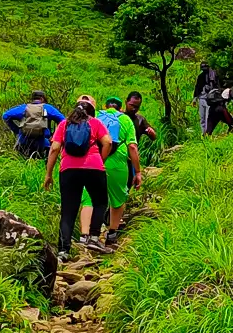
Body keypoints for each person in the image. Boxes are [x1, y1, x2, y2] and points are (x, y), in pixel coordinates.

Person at [41, 94, 110, 278]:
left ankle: (63, 251)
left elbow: (55, 148)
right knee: (100, 202)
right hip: (94, 167)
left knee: (68, 211)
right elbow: (108, 142)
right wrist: (100, 160)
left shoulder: (64, 124)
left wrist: (48, 174)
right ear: (91, 111)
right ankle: (93, 237)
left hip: (69, 169)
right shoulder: (95, 123)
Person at [83, 96, 143, 240]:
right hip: (117, 164)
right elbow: (132, 147)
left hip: (94, 161)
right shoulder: (125, 120)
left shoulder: (95, 116)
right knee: (118, 198)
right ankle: (112, 234)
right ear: (120, 108)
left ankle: (85, 235)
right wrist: (138, 172)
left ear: (105, 106)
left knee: (89, 199)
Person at [1, 91, 65, 159]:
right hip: (43, 144)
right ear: (42, 99)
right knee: (44, 162)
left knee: (23, 162)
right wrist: (55, 136)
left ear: (32, 99)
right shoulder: (47, 108)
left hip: (23, 143)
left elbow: (5, 116)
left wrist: (17, 130)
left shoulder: (24, 108)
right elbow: (63, 121)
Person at [195, 63, 233, 135]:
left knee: (208, 132)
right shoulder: (229, 90)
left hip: (212, 110)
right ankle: (231, 134)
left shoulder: (217, 90)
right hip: (221, 109)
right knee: (232, 124)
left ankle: (205, 138)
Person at [124, 90, 158, 163]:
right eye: (132, 105)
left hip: (132, 156)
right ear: (126, 102)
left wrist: (152, 132)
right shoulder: (118, 117)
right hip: (118, 155)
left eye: (136, 107)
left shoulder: (140, 120)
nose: (134, 109)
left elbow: (153, 137)